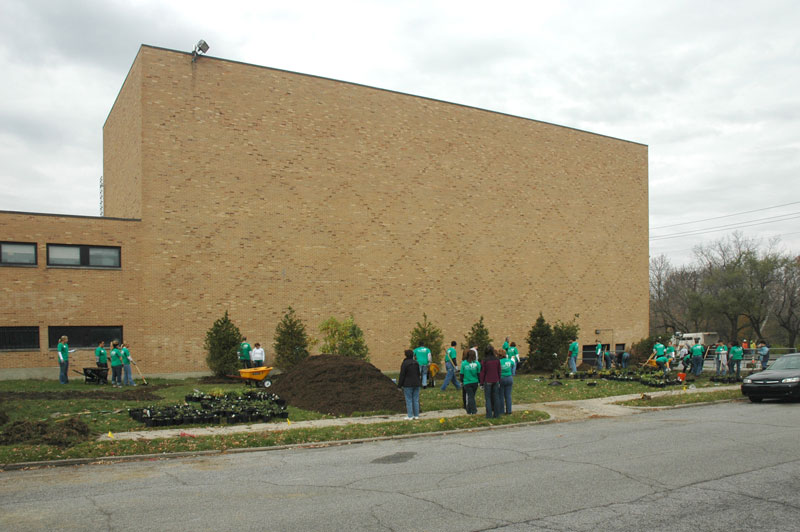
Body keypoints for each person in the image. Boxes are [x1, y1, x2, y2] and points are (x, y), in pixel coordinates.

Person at [479, 345, 502, 418]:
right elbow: (499, 371)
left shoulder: (484, 361)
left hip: (488, 380)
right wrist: (499, 379)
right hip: (496, 380)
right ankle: (497, 414)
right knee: (496, 397)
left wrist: (481, 383)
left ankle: (489, 415)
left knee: (488, 398)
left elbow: (482, 372)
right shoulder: (497, 360)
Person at [397, 349, 421, 420]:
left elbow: (402, 375)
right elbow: (418, 373)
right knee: (416, 399)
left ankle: (410, 416)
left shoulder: (405, 363)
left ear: (406, 355)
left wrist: (399, 385)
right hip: (416, 383)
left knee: (409, 400)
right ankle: (416, 415)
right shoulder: (416, 363)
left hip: (408, 384)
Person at [460, 348, 481, 414]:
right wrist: (480, 382)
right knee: (472, 396)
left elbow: (461, 374)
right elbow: (479, 373)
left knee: (470, 396)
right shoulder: (477, 363)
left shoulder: (464, 363)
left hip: (467, 382)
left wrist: (462, 381)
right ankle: (469, 410)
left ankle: (472, 410)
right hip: (475, 382)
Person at [499, 349, 515, 415]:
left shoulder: (499, 361)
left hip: (502, 378)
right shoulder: (509, 361)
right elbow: (513, 364)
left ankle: (501, 411)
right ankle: (509, 411)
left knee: (501, 396)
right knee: (508, 395)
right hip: (509, 378)